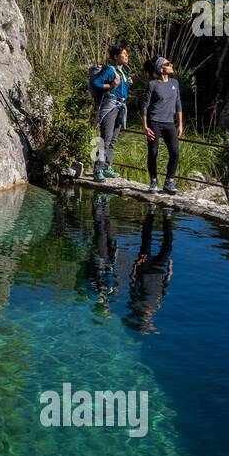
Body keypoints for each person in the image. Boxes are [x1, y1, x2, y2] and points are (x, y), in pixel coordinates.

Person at [125, 203, 175, 333]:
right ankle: (167, 216)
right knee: (168, 246)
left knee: (146, 240)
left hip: (144, 267)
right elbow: (165, 286)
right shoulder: (158, 306)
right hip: (159, 268)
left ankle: (151, 213)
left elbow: (133, 280)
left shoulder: (137, 302)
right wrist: (170, 270)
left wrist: (136, 264)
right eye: (149, 321)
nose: (148, 318)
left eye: (146, 321)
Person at [140, 55, 182, 194]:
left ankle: (169, 181)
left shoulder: (175, 83)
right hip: (154, 122)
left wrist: (180, 124)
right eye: (168, 63)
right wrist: (145, 126)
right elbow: (144, 105)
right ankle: (153, 181)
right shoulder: (153, 84)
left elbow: (178, 104)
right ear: (161, 68)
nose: (171, 65)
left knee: (175, 153)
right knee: (153, 152)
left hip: (170, 123)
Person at [90, 44, 130, 182]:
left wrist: (127, 82)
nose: (126, 56)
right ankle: (98, 170)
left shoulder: (124, 72)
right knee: (105, 140)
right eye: (124, 54)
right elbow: (96, 82)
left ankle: (107, 167)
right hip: (111, 105)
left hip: (121, 107)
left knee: (113, 140)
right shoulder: (110, 69)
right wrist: (110, 86)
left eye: (127, 54)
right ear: (115, 57)